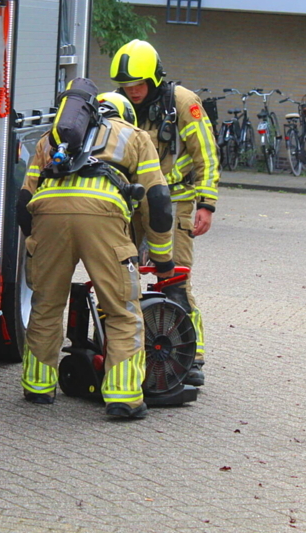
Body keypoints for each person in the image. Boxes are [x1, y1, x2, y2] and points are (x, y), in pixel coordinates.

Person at [16, 89, 175, 420]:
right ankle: (123, 397)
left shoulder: (51, 139)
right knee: (122, 310)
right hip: (102, 216)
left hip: (47, 214)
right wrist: (163, 260)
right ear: (124, 114)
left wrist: (37, 245)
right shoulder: (135, 136)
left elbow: (23, 203)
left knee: (45, 305)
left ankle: (38, 386)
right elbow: (157, 201)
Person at [110, 39, 219, 387]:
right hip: (131, 205)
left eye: (139, 84)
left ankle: (191, 356)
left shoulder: (182, 103)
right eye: (127, 85)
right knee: (121, 276)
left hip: (175, 201)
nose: (133, 91)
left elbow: (206, 154)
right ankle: (128, 349)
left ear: (154, 78)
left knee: (174, 280)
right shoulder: (120, 106)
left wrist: (206, 204)